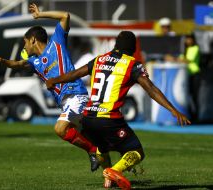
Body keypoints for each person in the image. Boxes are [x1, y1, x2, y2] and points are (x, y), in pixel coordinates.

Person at [45, 31, 191, 189]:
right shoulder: (131, 64)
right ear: (133, 47)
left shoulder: (99, 60)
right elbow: (151, 89)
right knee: (136, 152)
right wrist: (173, 110)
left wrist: (54, 80)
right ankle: (114, 171)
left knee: (102, 149)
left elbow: (75, 74)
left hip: (88, 118)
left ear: (116, 45)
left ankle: (108, 179)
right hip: (108, 118)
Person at [0, 4, 99, 171]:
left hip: (77, 95)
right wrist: (3, 63)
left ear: (32, 40)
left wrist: (40, 15)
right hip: (66, 103)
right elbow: (17, 63)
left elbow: (65, 16)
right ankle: (110, 169)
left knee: (60, 129)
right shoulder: (34, 61)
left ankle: (93, 151)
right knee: (93, 137)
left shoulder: (57, 42)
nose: (24, 47)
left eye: (25, 42)